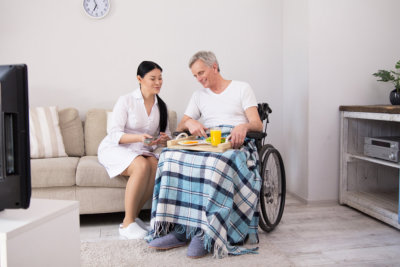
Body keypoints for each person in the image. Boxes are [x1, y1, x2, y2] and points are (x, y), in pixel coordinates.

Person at [147, 51, 263, 258]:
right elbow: (182, 124)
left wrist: (243, 126)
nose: (199, 79)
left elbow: (257, 123)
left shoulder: (241, 88)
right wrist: (190, 122)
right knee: (169, 158)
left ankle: (206, 232)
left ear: (215, 67)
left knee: (216, 164)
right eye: (195, 76)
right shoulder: (198, 96)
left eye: (201, 73)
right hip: (207, 141)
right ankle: (181, 228)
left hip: (235, 142)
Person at [98, 61, 171, 239]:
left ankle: (133, 217)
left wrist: (163, 139)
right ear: (139, 79)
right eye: (153, 78)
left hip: (141, 149)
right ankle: (127, 224)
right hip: (116, 147)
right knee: (141, 166)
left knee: (154, 164)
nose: (158, 82)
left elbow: (165, 133)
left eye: (160, 78)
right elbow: (114, 133)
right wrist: (139, 137)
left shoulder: (161, 105)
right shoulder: (126, 100)